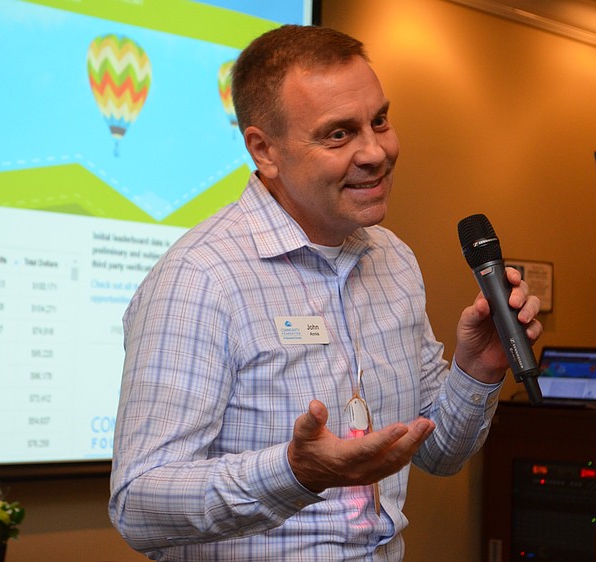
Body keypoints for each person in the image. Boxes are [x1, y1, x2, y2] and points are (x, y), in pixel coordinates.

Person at [109, 24, 541, 561]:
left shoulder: (394, 261)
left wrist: (478, 369)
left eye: (379, 120)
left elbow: (438, 453)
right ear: (264, 151)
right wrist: (294, 473)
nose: (376, 152)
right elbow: (138, 505)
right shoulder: (200, 278)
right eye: (338, 134)